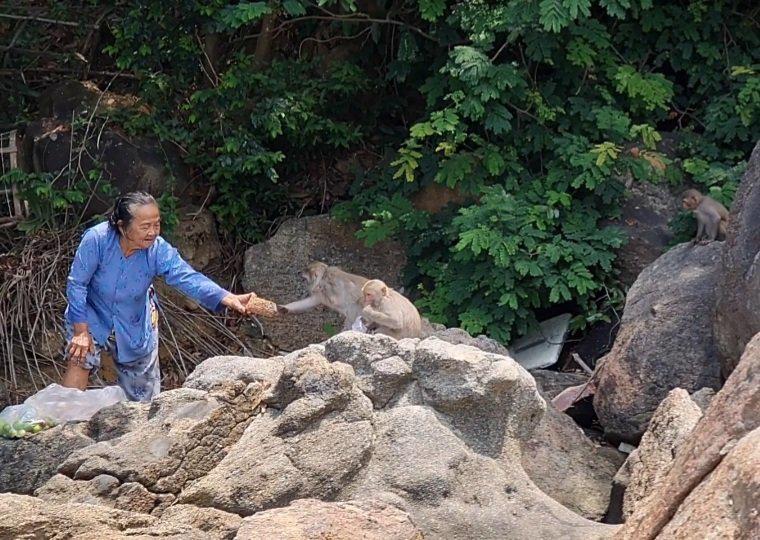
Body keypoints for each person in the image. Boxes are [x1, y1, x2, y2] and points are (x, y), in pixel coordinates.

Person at [61, 191, 254, 401]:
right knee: (79, 357)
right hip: (91, 313)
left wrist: (226, 297)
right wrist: (81, 331)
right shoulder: (97, 239)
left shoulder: (158, 250)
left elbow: (187, 277)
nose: (152, 232)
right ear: (122, 226)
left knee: (142, 396)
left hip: (134, 321)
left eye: (157, 224)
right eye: (145, 226)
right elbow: (77, 283)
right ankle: (65, 417)